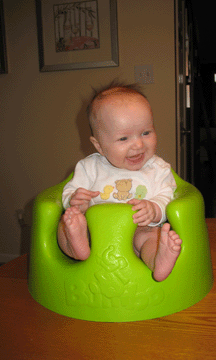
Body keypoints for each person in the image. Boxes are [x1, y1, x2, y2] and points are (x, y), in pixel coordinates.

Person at [58, 82, 182, 282]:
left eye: (146, 133)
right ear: (99, 145)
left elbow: (169, 196)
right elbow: (69, 191)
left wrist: (155, 209)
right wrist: (75, 200)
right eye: (124, 138)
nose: (138, 144)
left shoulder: (158, 168)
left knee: (152, 237)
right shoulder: (89, 167)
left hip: (138, 230)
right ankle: (76, 246)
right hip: (93, 230)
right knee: (66, 223)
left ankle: (158, 261)